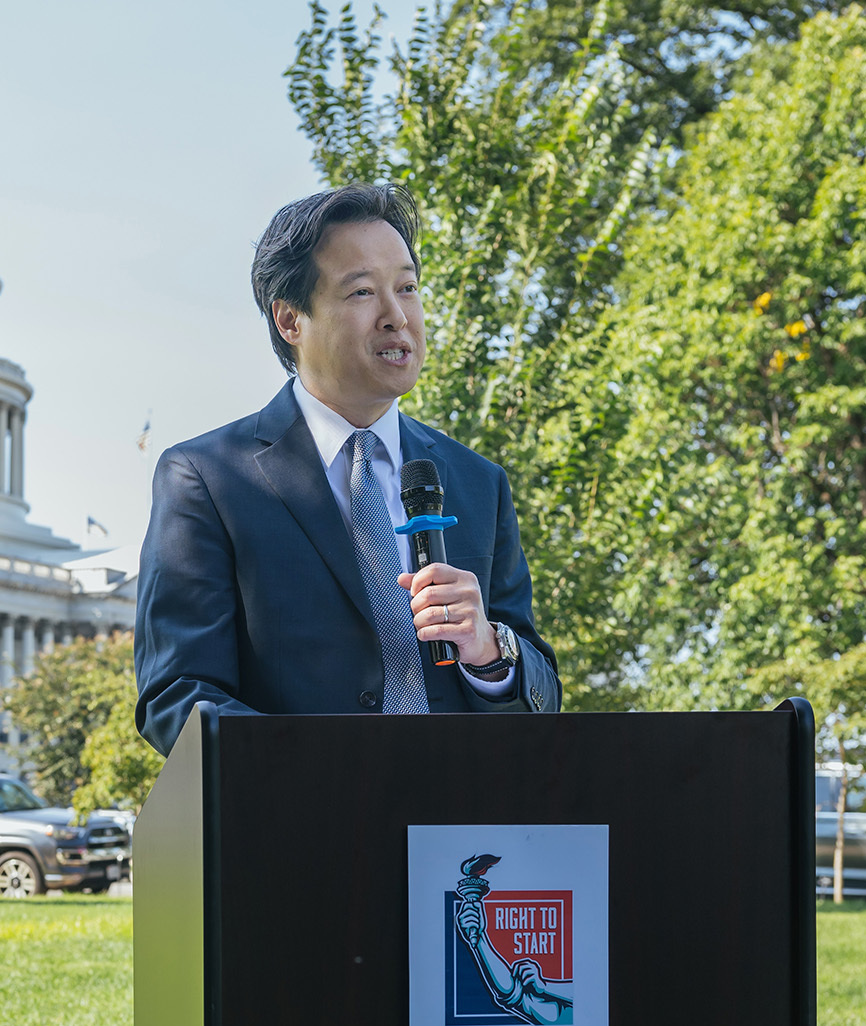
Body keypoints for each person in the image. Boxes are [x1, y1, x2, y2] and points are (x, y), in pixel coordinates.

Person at [134, 182, 560, 756]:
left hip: (462, 830)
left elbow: (541, 693)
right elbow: (177, 695)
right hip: (303, 829)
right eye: (361, 292)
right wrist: (335, 777)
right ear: (290, 320)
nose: (396, 316)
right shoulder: (207, 478)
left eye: (407, 288)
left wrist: (488, 649)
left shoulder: (478, 483)